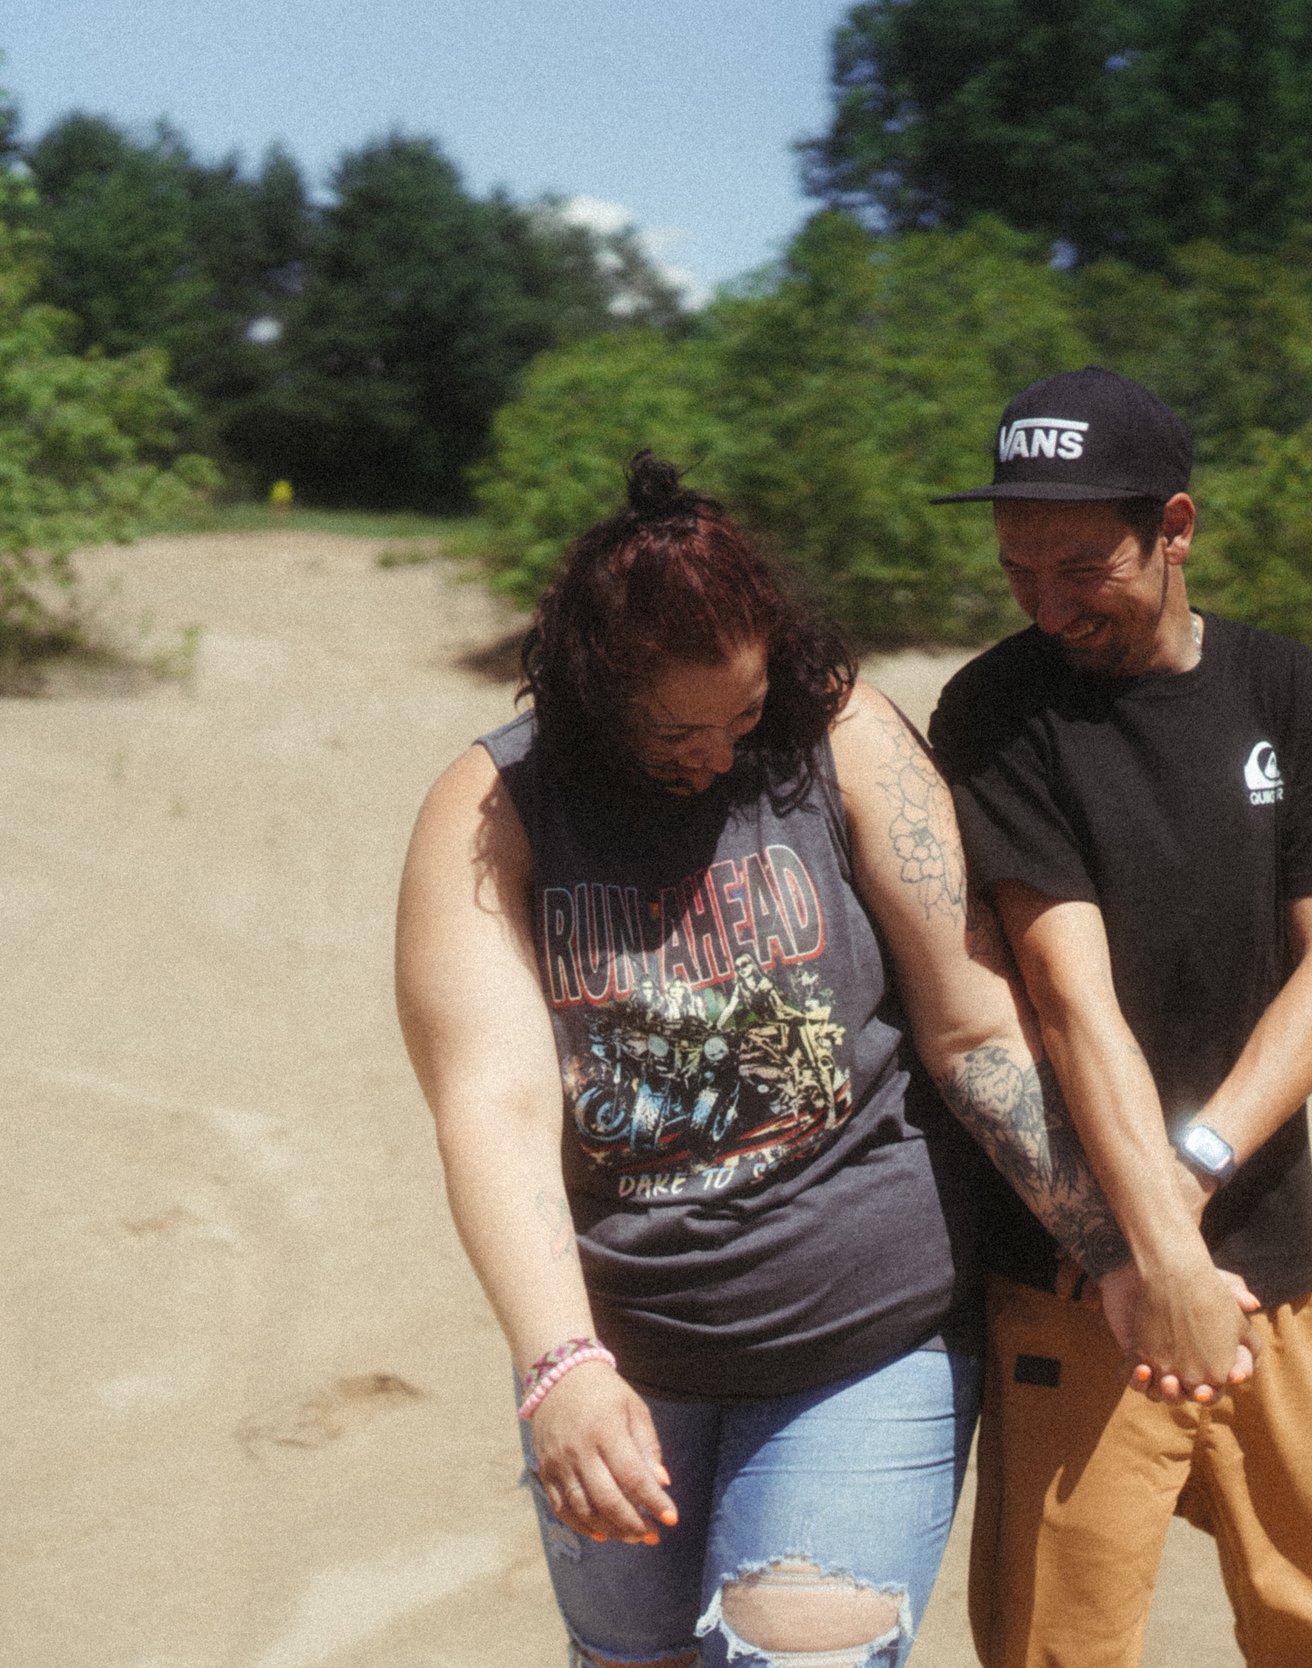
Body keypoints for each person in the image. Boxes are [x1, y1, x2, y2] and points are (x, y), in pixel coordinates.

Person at [394, 454, 1135, 1668]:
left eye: (742, 716)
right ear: (591, 694)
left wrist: (1118, 1245)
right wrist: (559, 1367)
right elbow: (494, 1105)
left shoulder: (842, 734)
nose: (721, 755)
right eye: (678, 730)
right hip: (624, 1346)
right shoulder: (493, 810)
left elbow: (973, 1027)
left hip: (867, 1326)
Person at [927, 368, 1312, 1667]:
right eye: (1019, 570)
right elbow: (1070, 1004)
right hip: (1080, 1282)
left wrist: (1186, 1198)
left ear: (1174, 527)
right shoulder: (996, 711)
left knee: (1310, 1624)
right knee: (1058, 1646)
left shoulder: (1281, 686)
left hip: (1267, 1256)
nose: (1049, 602)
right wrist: (1147, 1257)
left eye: (1085, 566)